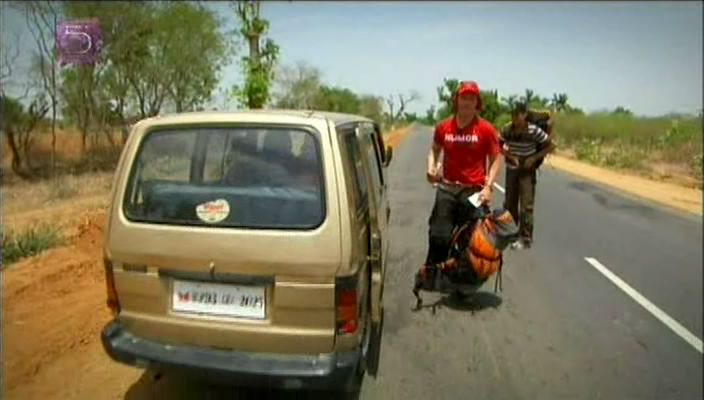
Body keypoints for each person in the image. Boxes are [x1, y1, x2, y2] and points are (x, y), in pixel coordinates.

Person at [424, 80, 503, 268]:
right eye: (463, 97)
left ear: (477, 103)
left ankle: (464, 283)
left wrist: (488, 186)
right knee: (438, 235)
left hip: (473, 192)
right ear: (456, 100)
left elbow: (495, 159)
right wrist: (431, 167)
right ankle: (435, 272)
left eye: (471, 98)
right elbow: (434, 150)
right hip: (447, 188)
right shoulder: (443, 127)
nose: (467, 102)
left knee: (473, 241)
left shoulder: (486, 130)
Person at [499, 102, 556, 250]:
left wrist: (534, 158)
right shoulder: (507, 129)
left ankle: (525, 238)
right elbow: (498, 144)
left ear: (524, 115)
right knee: (510, 202)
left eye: (517, 115)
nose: (515, 118)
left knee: (526, 205)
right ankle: (511, 232)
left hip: (527, 170)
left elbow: (551, 145)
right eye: (513, 115)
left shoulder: (533, 130)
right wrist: (509, 155)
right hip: (512, 167)